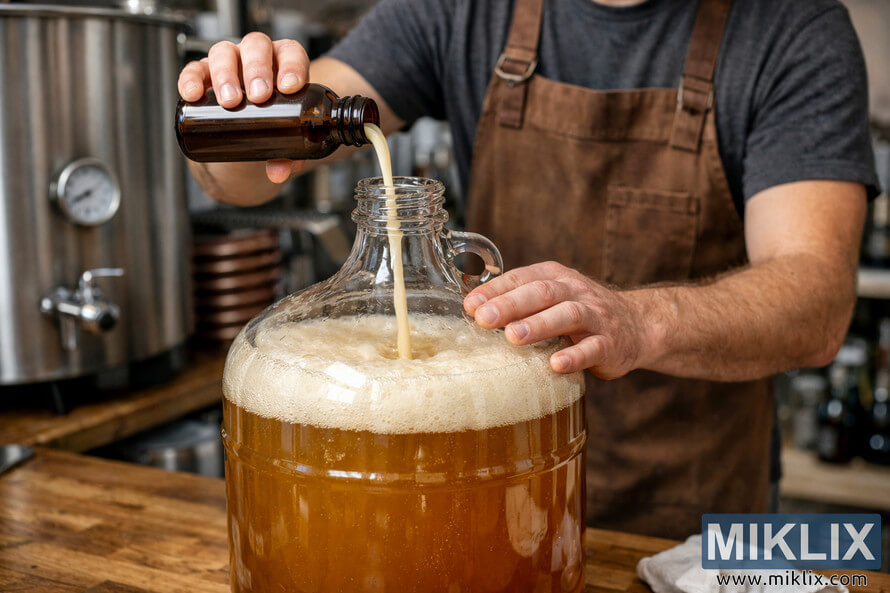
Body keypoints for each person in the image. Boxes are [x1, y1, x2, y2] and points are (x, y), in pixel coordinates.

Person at [177, 0, 879, 538]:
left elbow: (816, 300)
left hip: (687, 520)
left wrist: (640, 320)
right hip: (494, 501)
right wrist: (237, 104)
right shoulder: (458, 10)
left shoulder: (792, 27)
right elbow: (247, 176)